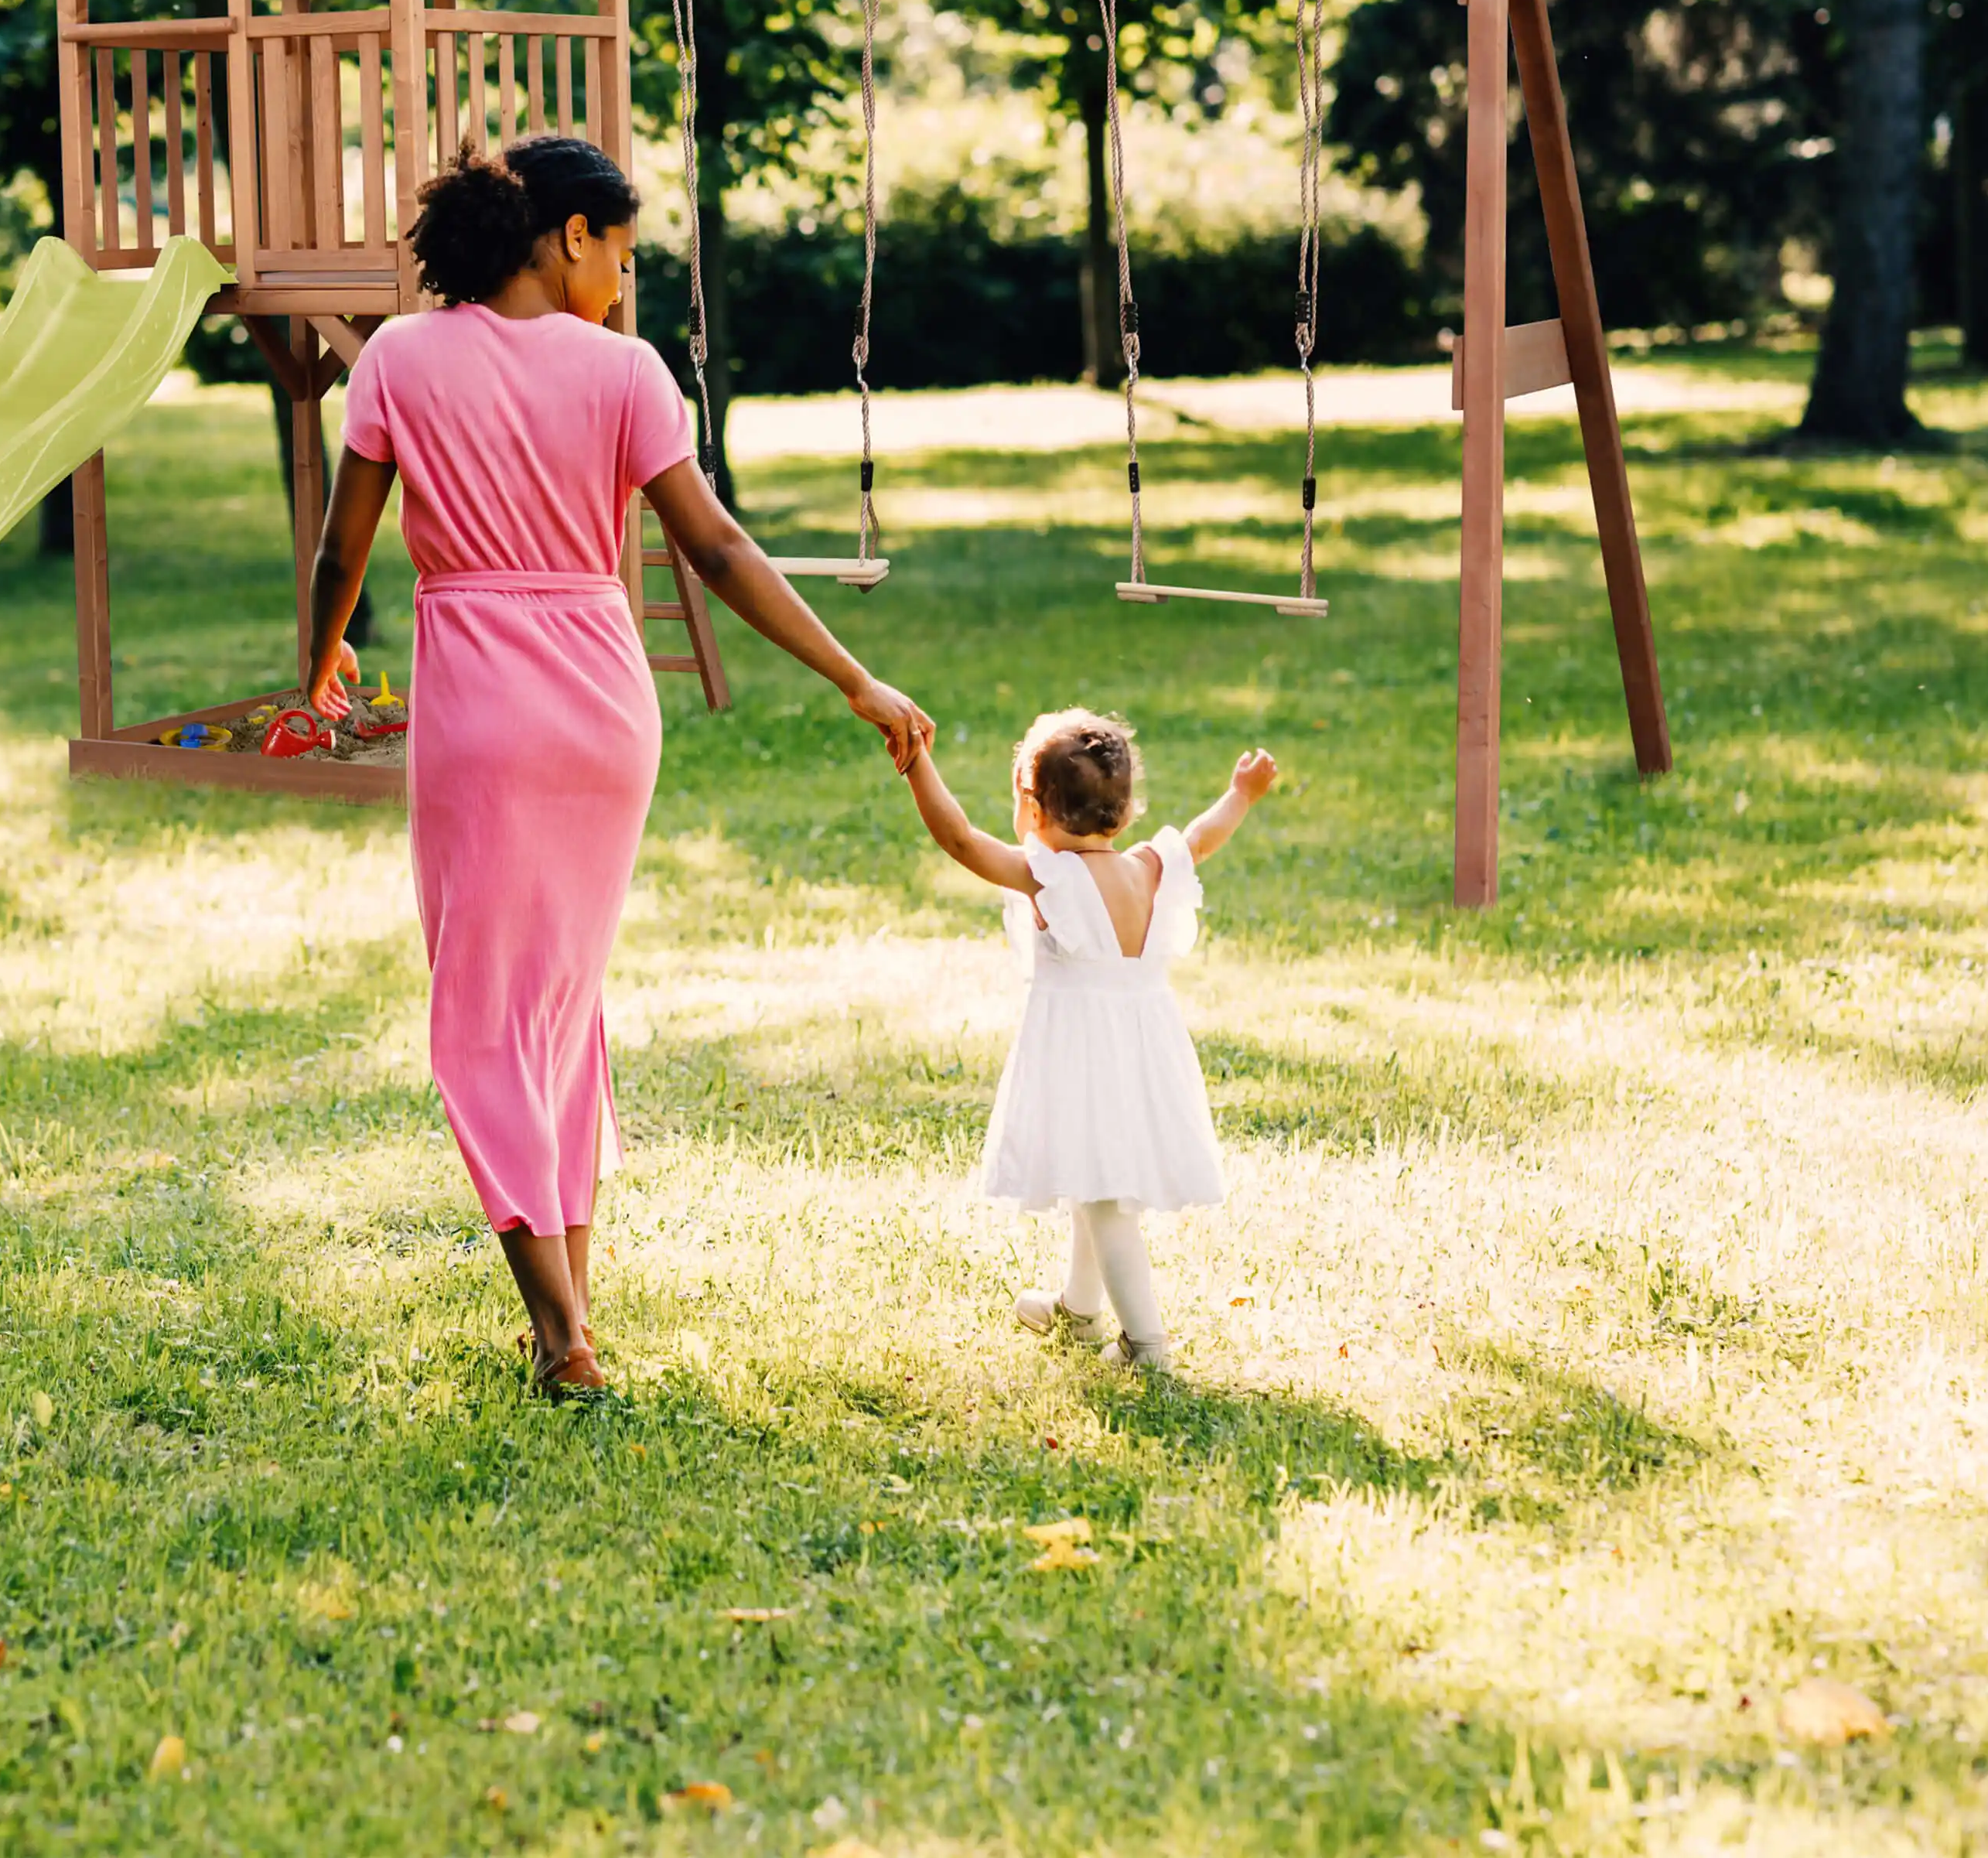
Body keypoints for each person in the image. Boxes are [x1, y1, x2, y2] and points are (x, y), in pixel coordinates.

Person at [302, 135, 933, 1400]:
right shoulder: (627, 374)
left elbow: (342, 551)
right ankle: (573, 1312)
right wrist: (853, 676)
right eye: (624, 254)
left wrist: (315, 672)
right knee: (560, 1010)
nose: (625, 284)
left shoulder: (399, 361)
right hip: (603, 706)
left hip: (480, 706)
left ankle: (561, 1336)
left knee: (483, 1017)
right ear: (569, 236)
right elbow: (717, 551)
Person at [897, 709, 1279, 1371]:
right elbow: (1202, 835)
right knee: (1091, 1174)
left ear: (1034, 808)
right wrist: (1240, 794)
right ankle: (1078, 1309)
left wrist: (916, 762)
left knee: (1105, 1199)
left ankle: (1146, 1344)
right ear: (1125, 812)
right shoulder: (1151, 867)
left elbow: (959, 839)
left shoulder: (1050, 878)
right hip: (1142, 1050)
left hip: (1084, 1055)